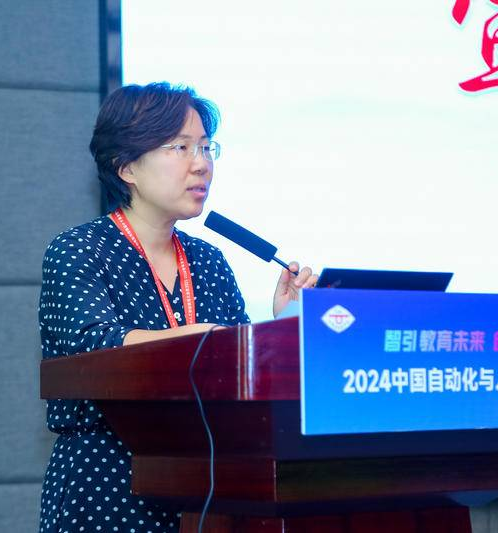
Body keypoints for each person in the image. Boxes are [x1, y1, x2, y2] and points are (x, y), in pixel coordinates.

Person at [38, 82, 317, 533]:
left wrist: (283, 322)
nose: (201, 164)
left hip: (208, 489)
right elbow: (94, 346)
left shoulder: (208, 259)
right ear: (126, 166)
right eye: (181, 147)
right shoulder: (79, 250)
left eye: (207, 147)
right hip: (109, 481)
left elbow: (240, 379)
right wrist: (200, 339)